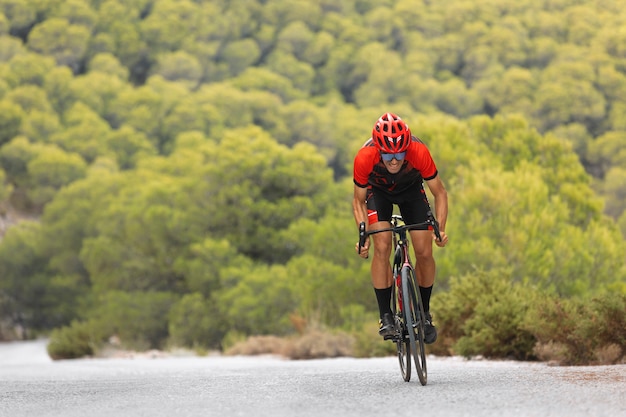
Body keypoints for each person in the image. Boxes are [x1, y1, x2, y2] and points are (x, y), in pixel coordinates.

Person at [352, 112, 448, 344]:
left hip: (411, 191)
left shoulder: (419, 152)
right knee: (382, 245)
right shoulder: (365, 156)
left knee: (424, 252)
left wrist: (440, 229)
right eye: (387, 155)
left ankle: (424, 314)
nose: (394, 160)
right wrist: (363, 234)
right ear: (377, 149)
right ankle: (385, 315)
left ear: (407, 148)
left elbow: (440, 193)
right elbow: (358, 200)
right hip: (378, 193)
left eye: (399, 154)